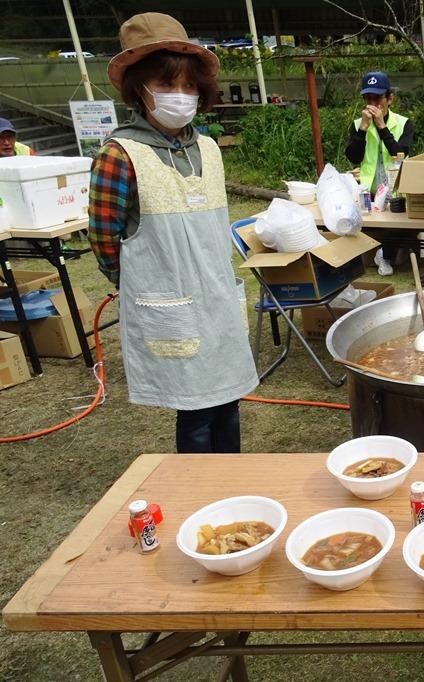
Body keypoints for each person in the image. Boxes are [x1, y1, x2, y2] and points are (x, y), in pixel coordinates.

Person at [87, 12, 258, 453]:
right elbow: (105, 242)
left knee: (228, 402)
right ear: (138, 90)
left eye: (188, 86)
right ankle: (199, 494)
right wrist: (147, 280)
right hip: (172, 303)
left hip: (217, 300)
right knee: (196, 410)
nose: (180, 97)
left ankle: (232, 484)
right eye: (166, 86)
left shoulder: (206, 147)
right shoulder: (119, 154)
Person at [344, 71, 414, 277]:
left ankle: (384, 254)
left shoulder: (404, 123)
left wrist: (382, 127)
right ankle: (365, 257)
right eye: (368, 99)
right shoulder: (358, 124)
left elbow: (400, 153)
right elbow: (353, 157)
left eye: (378, 98)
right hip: (368, 192)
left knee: (406, 224)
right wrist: (363, 130)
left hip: (397, 191)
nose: (373, 104)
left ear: (389, 99)